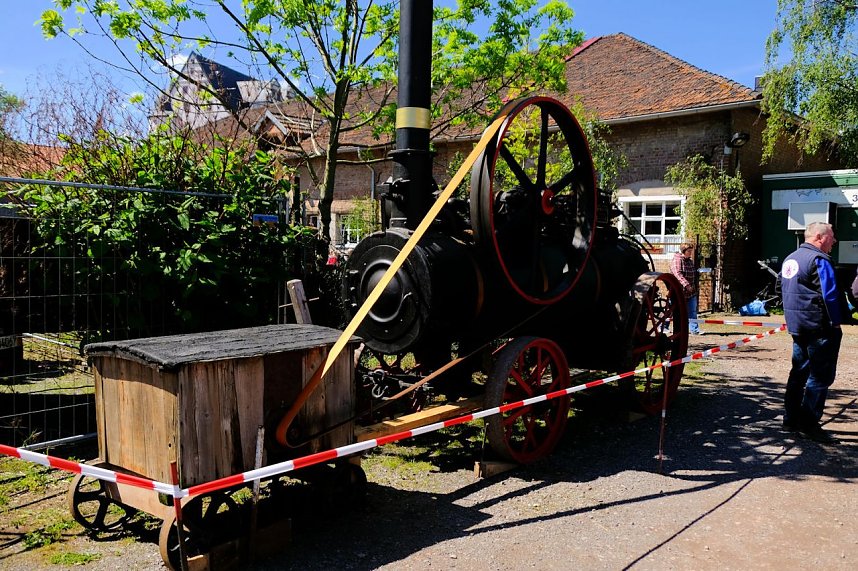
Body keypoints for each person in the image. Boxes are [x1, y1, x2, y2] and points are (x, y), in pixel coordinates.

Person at [778, 221, 842, 442]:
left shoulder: (790, 258)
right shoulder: (818, 260)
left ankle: (790, 418)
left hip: (798, 326)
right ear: (819, 237)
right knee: (820, 376)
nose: (834, 241)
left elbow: (780, 288)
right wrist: (835, 321)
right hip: (819, 328)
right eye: (831, 236)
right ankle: (809, 423)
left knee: (798, 372)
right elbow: (830, 294)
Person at [671, 243, 701, 334]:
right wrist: (687, 285)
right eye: (689, 251)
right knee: (671, 310)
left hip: (691, 292)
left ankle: (694, 330)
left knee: (692, 311)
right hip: (679, 291)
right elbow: (678, 274)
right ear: (684, 251)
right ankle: (664, 326)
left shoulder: (689, 261)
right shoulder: (677, 260)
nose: (691, 253)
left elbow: (693, 273)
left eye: (691, 251)